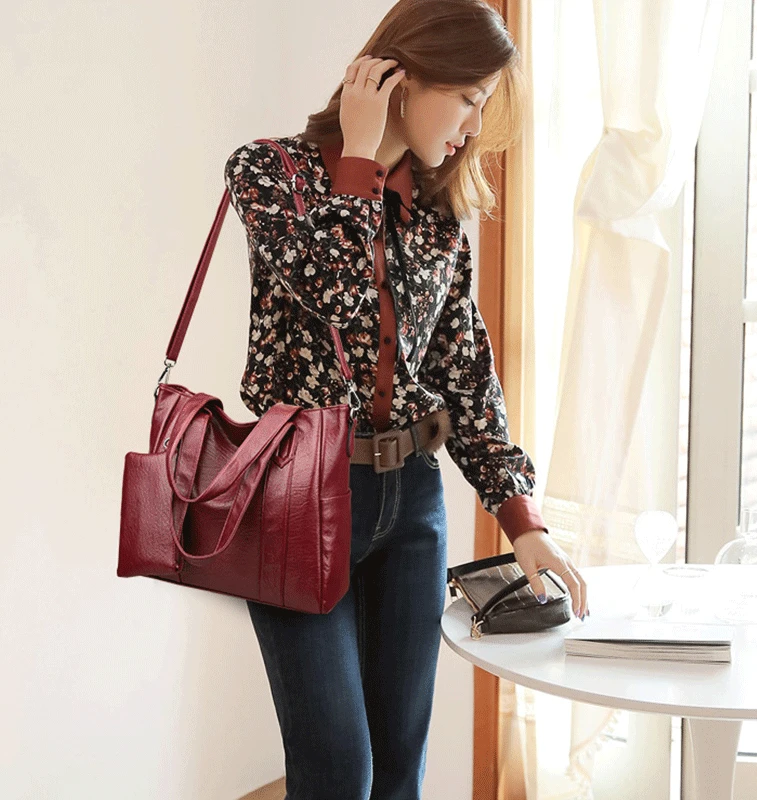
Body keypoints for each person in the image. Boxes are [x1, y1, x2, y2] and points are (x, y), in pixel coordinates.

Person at [224, 2, 587, 797]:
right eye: (467, 98)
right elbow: (338, 298)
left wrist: (521, 519)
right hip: (297, 496)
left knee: (397, 772)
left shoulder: (436, 212)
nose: (472, 127)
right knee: (337, 771)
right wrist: (358, 157)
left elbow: (464, 369)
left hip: (412, 503)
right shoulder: (268, 173)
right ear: (402, 75)